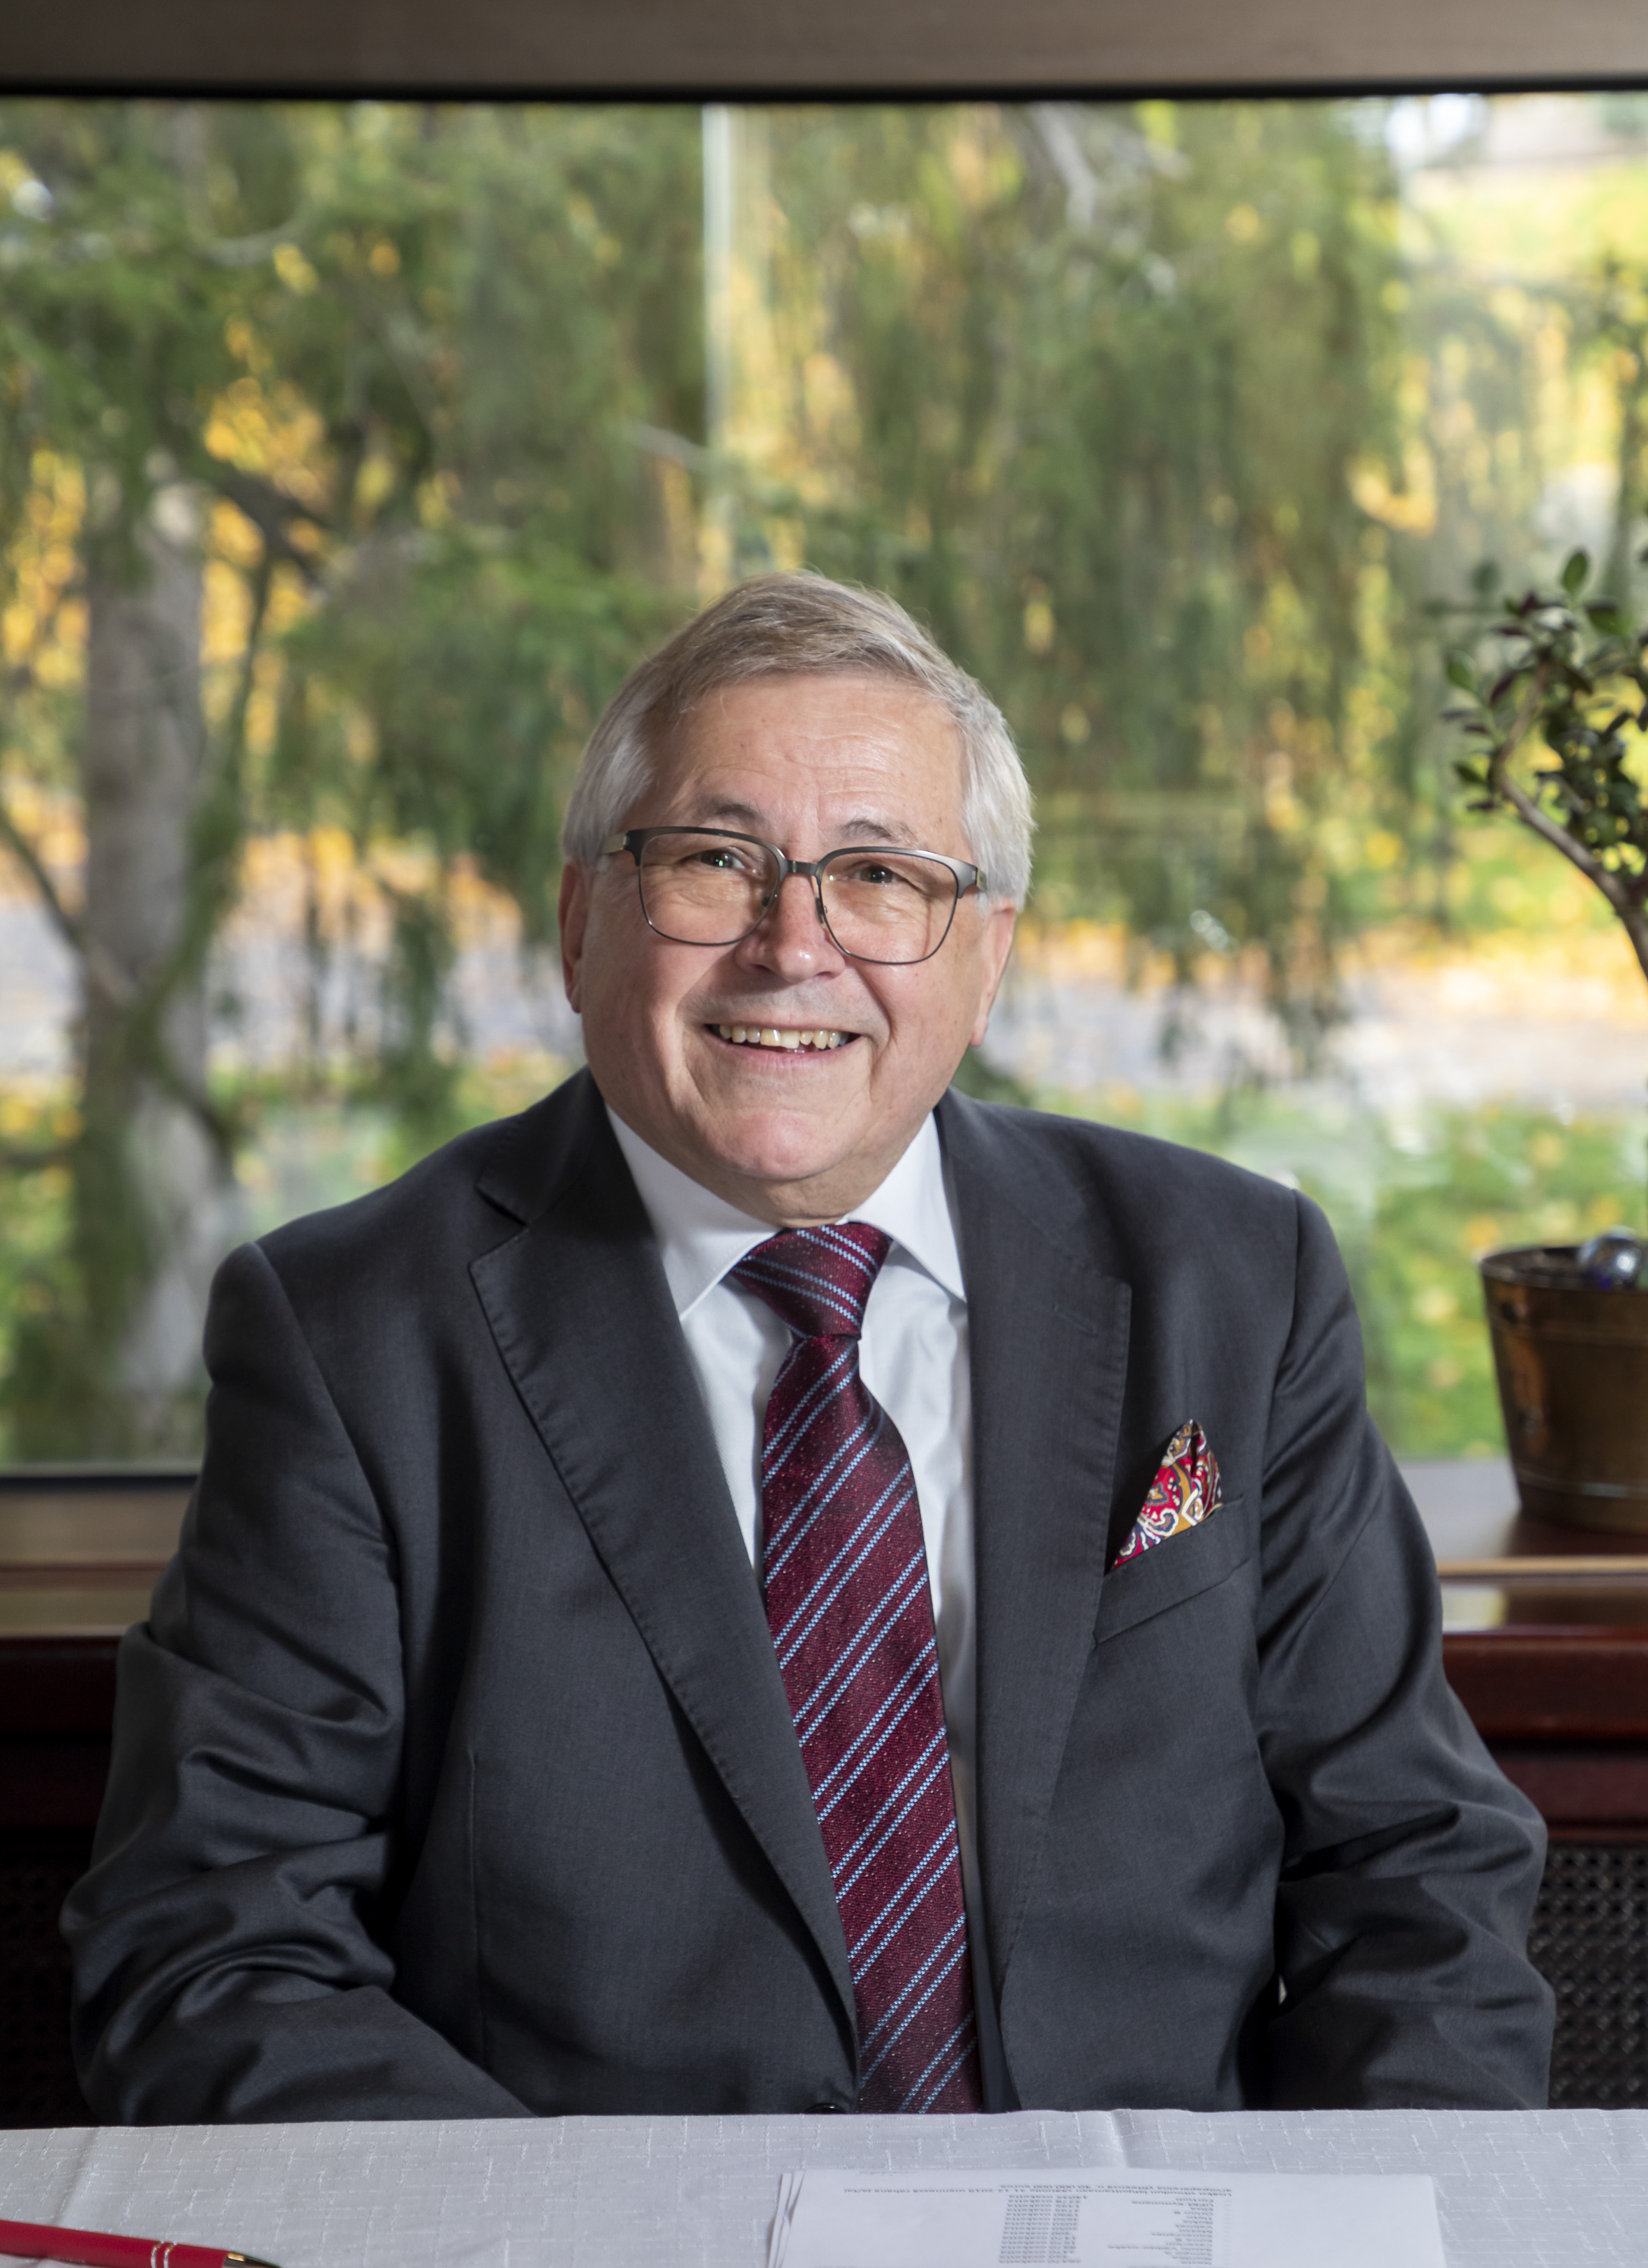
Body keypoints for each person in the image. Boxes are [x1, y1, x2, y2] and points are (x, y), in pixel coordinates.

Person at [66, 573, 1552, 2124]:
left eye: (880, 875)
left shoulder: (1230, 1281)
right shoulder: (352, 1335)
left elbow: (1413, 1868)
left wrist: (1365, 2240)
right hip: (605, 2255)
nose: (794, 945)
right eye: (715, 862)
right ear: (579, 924)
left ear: (984, 955)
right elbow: (212, 1951)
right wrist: (581, 2255)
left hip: (1156, 2238)